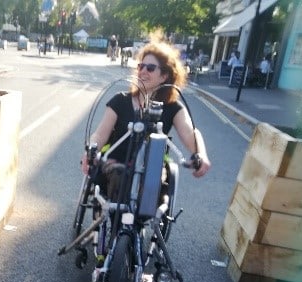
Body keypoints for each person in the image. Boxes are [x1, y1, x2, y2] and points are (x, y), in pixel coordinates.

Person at [82, 38, 211, 199]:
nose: (143, 71)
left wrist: (201, 154)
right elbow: (100, 134)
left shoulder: (173, 108)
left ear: (164, 76)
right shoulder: (120, 100)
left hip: (151, 169)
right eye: (141, 66)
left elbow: (189, 132)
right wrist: (90, 151)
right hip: (116, 162)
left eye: (150, 68)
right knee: (120, 175)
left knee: (152, 183)